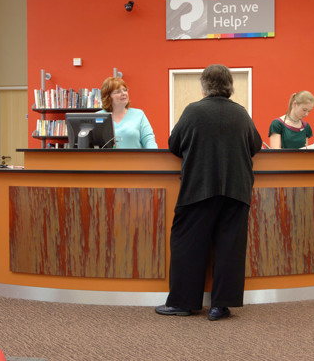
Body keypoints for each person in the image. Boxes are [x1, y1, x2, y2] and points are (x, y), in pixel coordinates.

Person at [155, 64, 262, 321]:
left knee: (187, 244)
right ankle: (220, 306)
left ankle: (183, 302)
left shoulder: (193, 111)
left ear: (204, 86)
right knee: (230, 248)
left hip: (199, 188)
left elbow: (174, 144)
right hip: (236, 190)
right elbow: (256, 145)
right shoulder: (241, 114)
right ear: (230, 86)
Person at [97, 77, 158, 149]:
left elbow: (149, 140)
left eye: (125, 90)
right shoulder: (98, 116)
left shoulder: (139, 114)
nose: (123, 93)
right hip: (105, 160)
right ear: (108, 97)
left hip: (135, 160)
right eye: (118, 92)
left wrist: (153, 157)